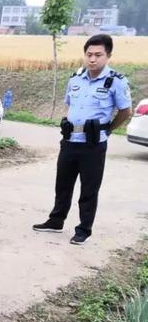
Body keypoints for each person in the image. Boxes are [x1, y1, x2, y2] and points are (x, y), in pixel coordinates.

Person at [33, 34, 132, 245]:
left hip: (93, 143)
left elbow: (125, 111)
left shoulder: (115, 81)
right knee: (63, 184)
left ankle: (83, 229)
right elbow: (69, 104)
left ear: (108, 56)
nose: (93, 59)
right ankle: (56, 220)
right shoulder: (75, 78)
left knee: (89, 188)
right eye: (89, 54)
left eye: (98, 55)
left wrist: (109, 129)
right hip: (70, 140)